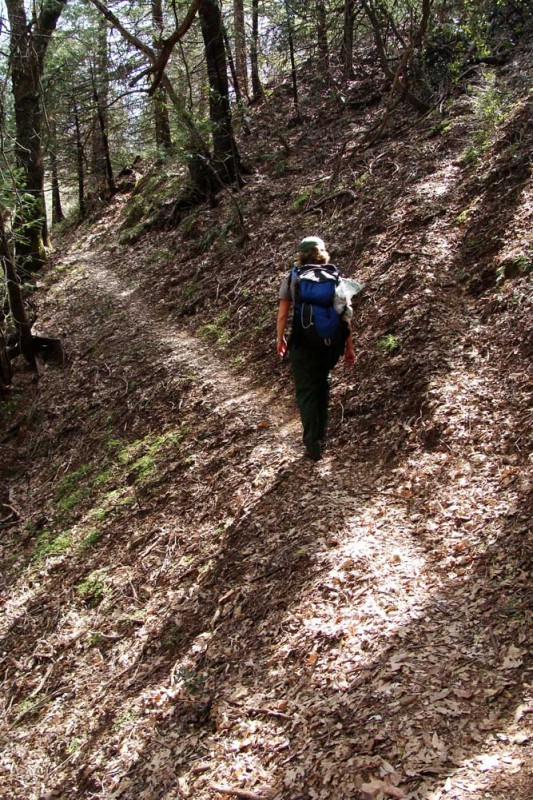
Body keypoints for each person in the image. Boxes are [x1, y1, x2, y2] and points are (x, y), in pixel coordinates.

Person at [277, 235, 355, 461]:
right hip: (330, 344)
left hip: (303, 342)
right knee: (322, 385)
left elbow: (283, 314)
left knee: (306, 390)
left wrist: (280, 339)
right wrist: (349, 348)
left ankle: (312, 443)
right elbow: (346, 315)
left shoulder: (294, 277)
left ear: (301, 254)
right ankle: (320, 435)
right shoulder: (335, 277)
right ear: (322, 252)